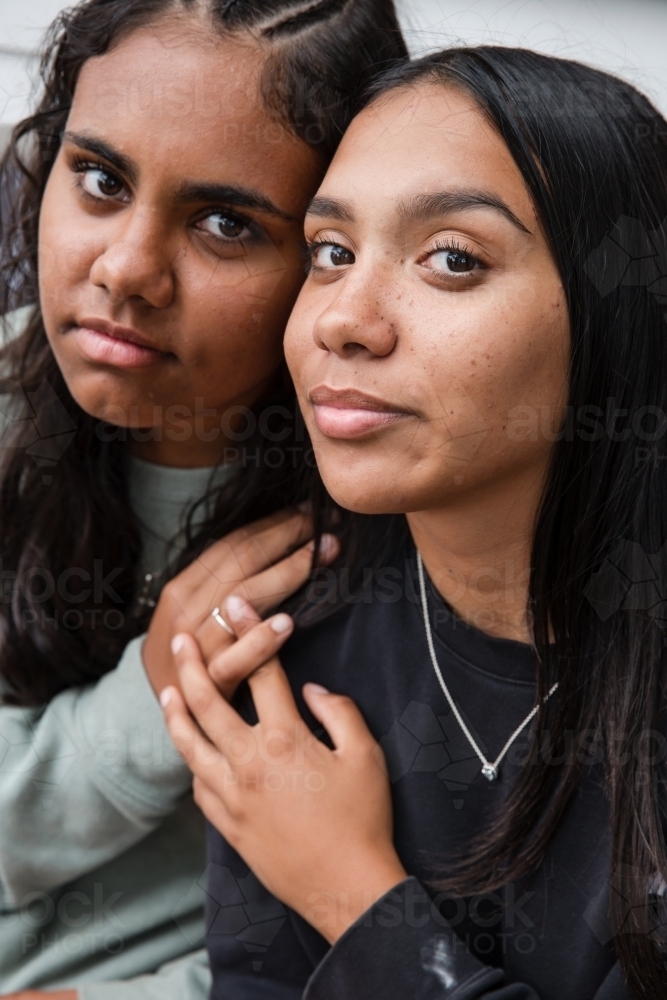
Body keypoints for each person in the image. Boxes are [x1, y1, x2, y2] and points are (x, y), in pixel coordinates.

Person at [163, 46, 667, 1000]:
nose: (343, 320)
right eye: (330, 252)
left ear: (622, 315)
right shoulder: (293, 631)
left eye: (451, 259)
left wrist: (351, 893)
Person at [0, 1, 407, 998]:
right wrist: (154, 695)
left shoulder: (391, 523)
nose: (126, 269)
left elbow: (381, 922)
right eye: (99, 178)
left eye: (226, 222)